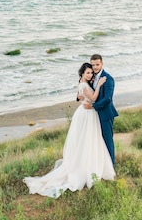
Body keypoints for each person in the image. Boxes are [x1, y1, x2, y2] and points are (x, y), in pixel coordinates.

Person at [23, 62, 115, 198]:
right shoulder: (84, 83)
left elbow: (81, 95)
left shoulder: (83, 82)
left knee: (88, 140)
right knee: (87, 139)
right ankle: (86, 166)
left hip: (88, 113)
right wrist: (99, 84)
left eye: (91, 72)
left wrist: (84, 94)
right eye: (88, 72)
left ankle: (91, 163)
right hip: (87, 114)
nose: (90, 74)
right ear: (82, 74)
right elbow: (94, 97)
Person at [86, 53, 119, 167]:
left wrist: (93, 106)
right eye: (93, 65)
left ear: (102, 64)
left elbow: (107, 99)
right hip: (95, 115)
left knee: (108, 141)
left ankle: (111, 167)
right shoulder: (92, 77)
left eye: (97, 64)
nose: (95, 67)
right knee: (97, 141)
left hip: (105, 114)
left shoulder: (108, 78)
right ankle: (101, 165)